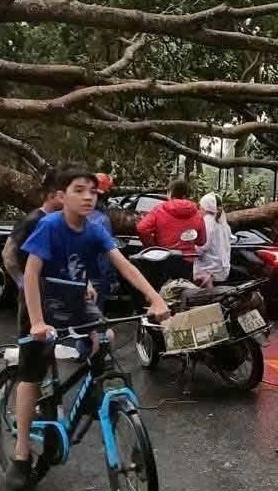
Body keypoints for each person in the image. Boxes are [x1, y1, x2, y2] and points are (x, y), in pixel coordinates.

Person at [6, 168, 170, 491]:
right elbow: (30, 273)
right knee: (31, 374)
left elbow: (124, 264)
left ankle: (91, 403)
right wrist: (37, 322)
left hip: (74, 300)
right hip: (41, 303)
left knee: (104, 338)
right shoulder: (49, 226)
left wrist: (155, 298)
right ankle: (21, 453)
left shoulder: (94, 230)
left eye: (92, 192)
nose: (87, 197)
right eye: (79, 190)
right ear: (61, 196)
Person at [136, 178, 206, 261]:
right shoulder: (197, 213)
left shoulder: (159, 209)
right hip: (188, 259)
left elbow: (142, 228)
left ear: (170, 193)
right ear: (187, 195)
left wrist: (152, 247)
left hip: (164, 257)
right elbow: (201, 241)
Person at [88, 173, 118, 310]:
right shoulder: (102, 220)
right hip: (96, 278)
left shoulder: (71, 214)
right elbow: (106, 254)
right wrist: (111, 279)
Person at [193, 192, 232, 287]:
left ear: (205, 208)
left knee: (207, 298)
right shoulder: (222, 221)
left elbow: (202, 246)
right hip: (222, 268)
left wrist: (192, 249)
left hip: (209, 270)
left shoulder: (207, 222)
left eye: (200, 207)